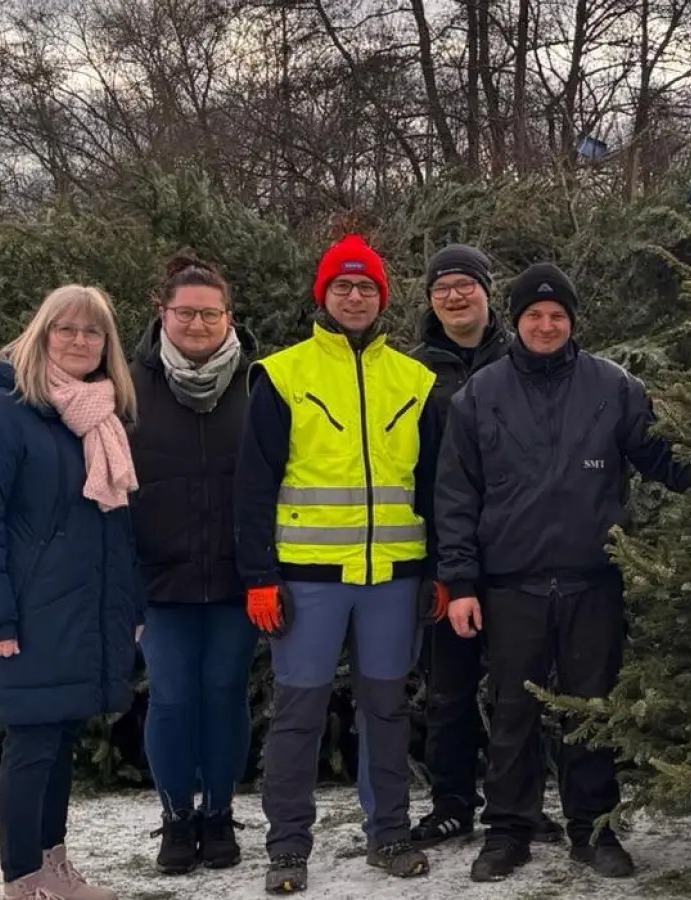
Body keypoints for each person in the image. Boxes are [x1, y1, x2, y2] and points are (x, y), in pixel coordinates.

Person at [436, 262, 691, 882]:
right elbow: (455, 496)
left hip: (593, 579)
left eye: (557, 315)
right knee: (513, 713)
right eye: (534, 315)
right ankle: (508, 832)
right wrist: (461, 584)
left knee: (593, 709)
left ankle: (594, 828)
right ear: (515, 321)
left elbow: (664, 458)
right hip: (511, 583)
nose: (546, 325)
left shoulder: (613, 386)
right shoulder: (480, 394)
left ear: (572, 321)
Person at [235, 234, 441, 894]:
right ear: (321, 295)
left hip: (394, 578)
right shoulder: (282, 375)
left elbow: (435, 487)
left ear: (384, 297)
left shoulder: (415, 381)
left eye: (367, 287)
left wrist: (440, 570)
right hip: (307, 580)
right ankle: (287, 846)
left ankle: (390, 834)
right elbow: (254, 486)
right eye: (342, 286)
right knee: (298, 715)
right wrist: (259, 576)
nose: (355, 297)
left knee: (387, 711)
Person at [0, 285, 144, 900]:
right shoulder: (0, 414)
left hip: (81, 612)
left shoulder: (95, 419)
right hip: (25, 614)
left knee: (60, 737)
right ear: (39, 335)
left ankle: (54, 867)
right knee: (33, 743)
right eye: (64, 329)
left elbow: (115, 528)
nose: (79, 341)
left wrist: (129, 607)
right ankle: (22, 880)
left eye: (93, 332)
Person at [408, 244, 565, 849]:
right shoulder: (413, 372)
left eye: (465, 284)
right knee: (448, 687)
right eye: (441, 287)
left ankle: (521, 802)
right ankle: (451, 802)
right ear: (430, 300)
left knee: (519, 688)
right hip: (442, 553)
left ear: (486, 291)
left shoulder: (522, 358)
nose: (454, 296)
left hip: (516, 554)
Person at [129, 251, 260, 874]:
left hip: (237, 577)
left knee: (225, 695)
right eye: (186, 313)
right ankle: (177, 816)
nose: (198, 324)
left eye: (210, 313)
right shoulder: (126, 385)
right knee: (173, 698)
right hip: (160, 579)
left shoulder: (259, 383)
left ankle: (219, 813)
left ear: (229, 316)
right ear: (163, 313)